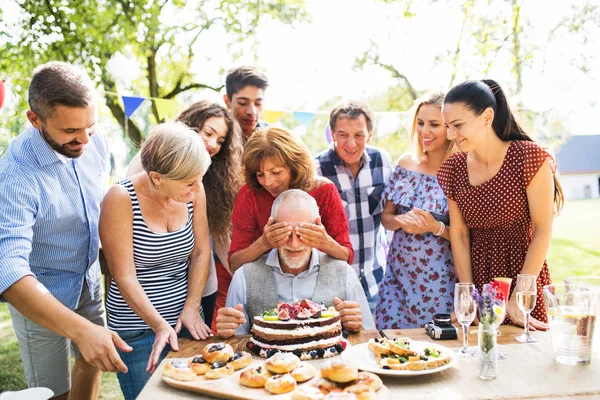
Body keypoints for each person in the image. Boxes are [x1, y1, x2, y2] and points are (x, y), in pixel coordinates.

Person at [0, 61, 129, 400]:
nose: (85, 139)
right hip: (41, 291)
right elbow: (8, 270)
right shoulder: (15, 177)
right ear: (35, 119)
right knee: (52, 392)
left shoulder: (93, 139)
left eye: (91, 126)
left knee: (92, 360)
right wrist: (80, 330)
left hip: (87, 278)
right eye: (71, 131)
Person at [437, 79, 564, 329]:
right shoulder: (453, 168)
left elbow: (542, 231)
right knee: (480, 358)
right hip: (479, 275)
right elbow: (460, 236)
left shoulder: (528, 156)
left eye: (458, 125)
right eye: (447, 127)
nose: (451, 135)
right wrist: (469, 297)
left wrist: (521, 293)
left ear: (486, 117)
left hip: (524, 273)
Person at [100, 122, 213, 399]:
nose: (197, 188)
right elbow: (123, 275)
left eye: (199, 179)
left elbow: (201, 252)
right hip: (137, 329)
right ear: (157, 177)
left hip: (183, 321)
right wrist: (158, 325)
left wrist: (191, 307)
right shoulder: (120, 197)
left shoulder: (193, 190)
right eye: (189, 182)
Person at [127, 101, 243, 326]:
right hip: (150, 295)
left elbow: (219, 239)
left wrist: (247, 277)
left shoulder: (210, 178)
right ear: (188, 126)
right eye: (208, 133)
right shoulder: (146, 164)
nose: (212, 144)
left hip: (201, 288)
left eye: (220, 141)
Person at [216, 189, 374, 337]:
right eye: (285, 233)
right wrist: (226, 332)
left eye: (302, 233)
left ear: (317, 228)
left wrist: (357, 327)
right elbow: (235, 340)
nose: (294, 244)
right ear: (271, 228)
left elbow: (368, 335)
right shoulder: (244, 276)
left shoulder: (344, 272)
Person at [375, 92, 457, 329]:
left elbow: (466, 237)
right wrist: (401, 219)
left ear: (450, 128)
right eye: (420, 123)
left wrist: (435, 227)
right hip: (398, 280)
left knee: (434, 350)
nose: (424, 131)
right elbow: (386, 218)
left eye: (434, 124)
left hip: (441, 283)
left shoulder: (459, 170)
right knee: (389, 347)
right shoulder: (405, 164)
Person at [315, 100, 393, 313]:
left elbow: (390, 218)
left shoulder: (382, 161)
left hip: (374, 280)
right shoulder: (316, 170)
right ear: (332, 134)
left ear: (369, 135)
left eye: (358, 135)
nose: (351, 143)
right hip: (332, 284)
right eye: (343, 135)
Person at [223, 65, 269, 142]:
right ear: (227, 102)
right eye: (243, 103)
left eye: (258, 103)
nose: (252, 112)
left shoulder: (271, 138)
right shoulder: (214, 134)